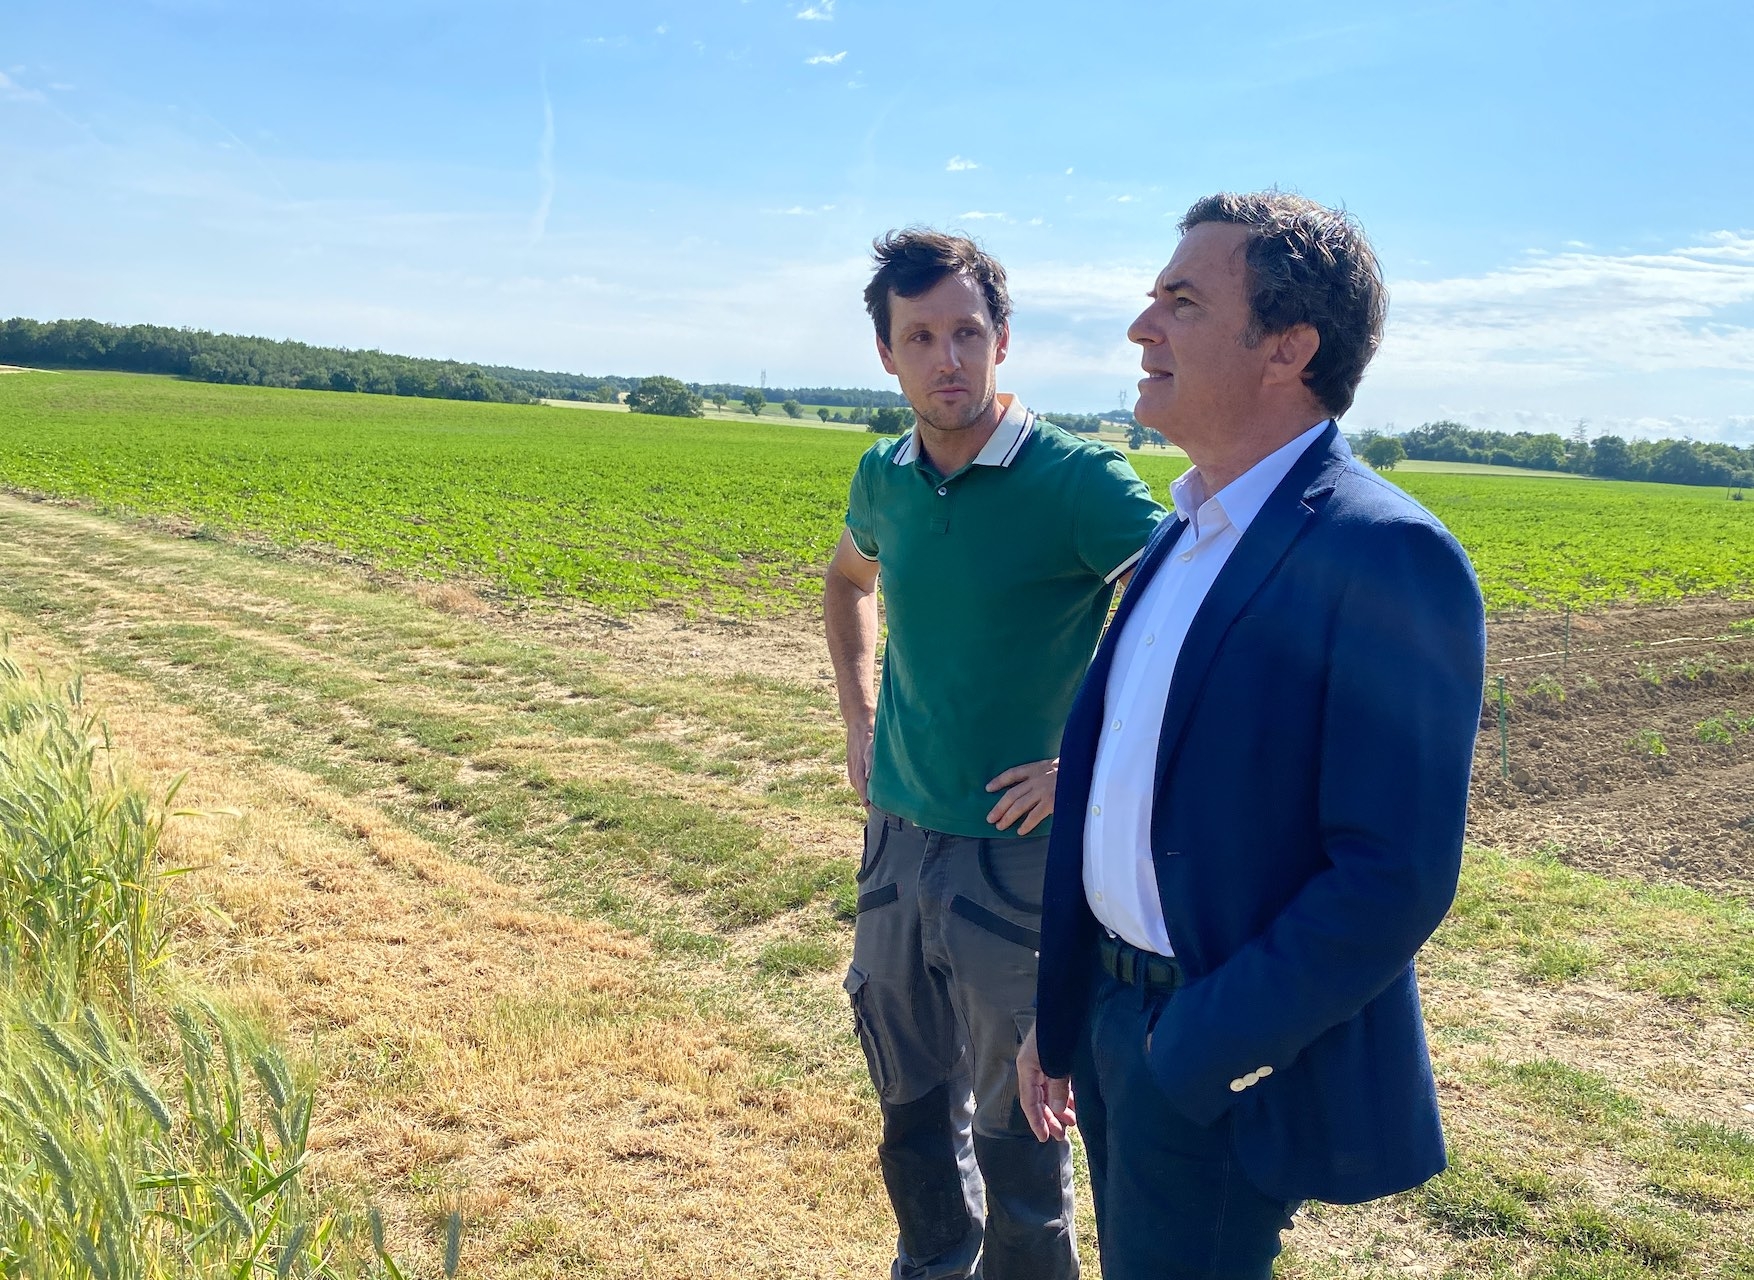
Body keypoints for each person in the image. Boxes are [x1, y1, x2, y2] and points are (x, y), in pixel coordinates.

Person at [1016, 192, 1487, 1280]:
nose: (1142, 329)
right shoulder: (1183, 524)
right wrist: (1066, 1009)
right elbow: (1113, 780)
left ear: (1287, 345)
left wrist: (1193, 1048)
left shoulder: (1384, 555)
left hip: (1207, 1049)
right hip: (1108, 1016)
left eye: (1179, 301)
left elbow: (1392, 875)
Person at [824, 228, 1165, 1280]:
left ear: (1003, 339)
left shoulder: (1075, 482)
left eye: (966, 332)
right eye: (918, 335)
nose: (946, 358)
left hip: (1017, 861)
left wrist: (1089, 764)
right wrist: (857, 716)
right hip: (894, 837)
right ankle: (931, 1263)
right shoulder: (883, 476)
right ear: (885, 353)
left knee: (1023, 1124)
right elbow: (846, 582)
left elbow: (1189, 622)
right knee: (908, 1101)